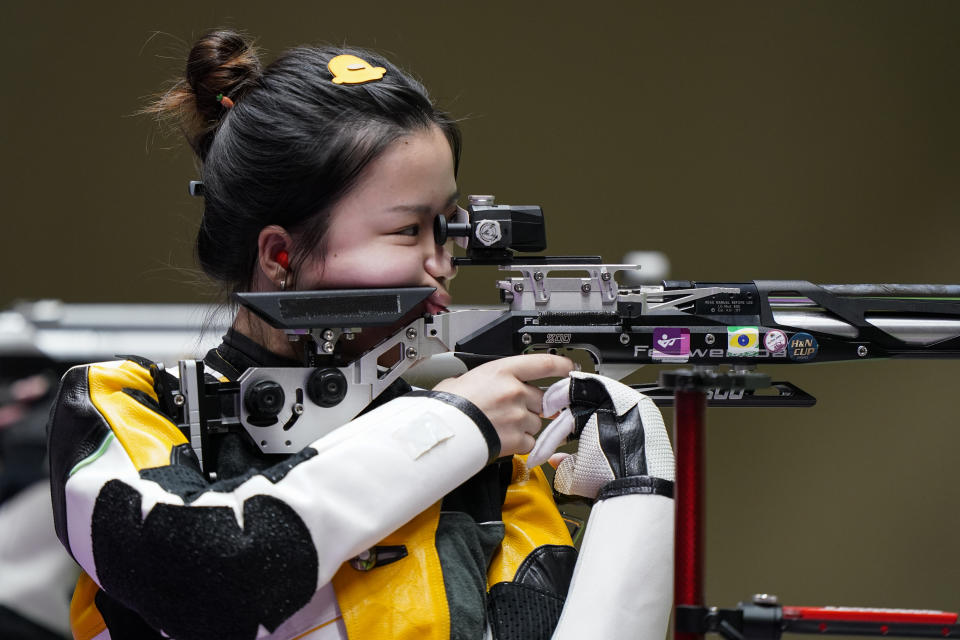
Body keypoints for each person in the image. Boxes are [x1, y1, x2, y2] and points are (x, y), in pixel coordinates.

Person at [47, 30, 675, 640]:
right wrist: (453, 426)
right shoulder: (123, 405)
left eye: (446, 228)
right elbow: (206, 575)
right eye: (408, 231)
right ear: (279, 255)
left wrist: (639, 490)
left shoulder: (488, 467)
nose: (442, 263)